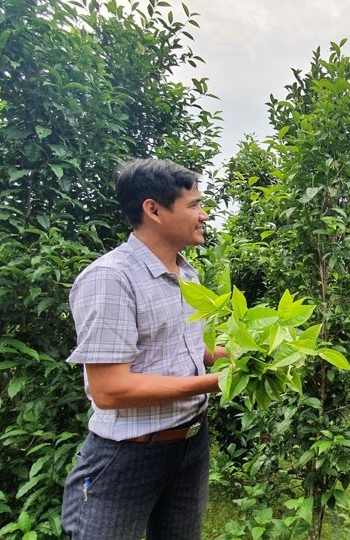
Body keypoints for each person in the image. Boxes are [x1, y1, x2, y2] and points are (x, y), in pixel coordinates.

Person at [61, 158, 225, 540]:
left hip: (190, 444)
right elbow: (110, 390)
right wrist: (214, 382)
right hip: (128, 454)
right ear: (153, 210)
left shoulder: (187, 275)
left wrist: (239, 358)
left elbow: (186, 348)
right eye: (194, 205)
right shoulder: (111, 278)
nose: (204, 215)